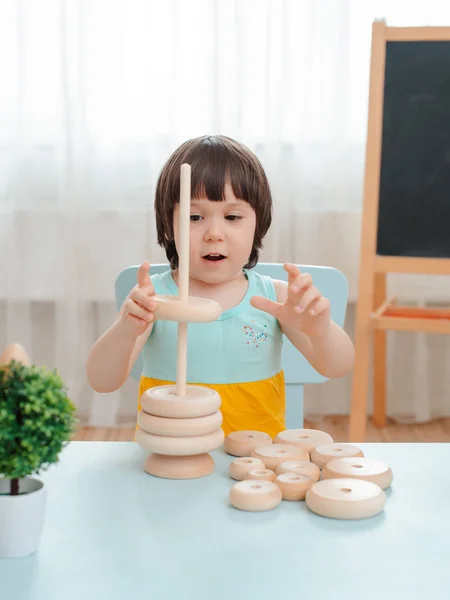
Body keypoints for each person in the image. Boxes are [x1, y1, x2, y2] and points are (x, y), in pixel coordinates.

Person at [86, 135, 354, 437]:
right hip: (171, 462)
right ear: (168, 225)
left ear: (258, 224)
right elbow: (101, 380)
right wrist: (126, 329)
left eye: (232, 216)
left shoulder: (275, 298)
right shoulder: (154, 300)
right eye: (194, 216)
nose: (214, 233)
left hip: (256, 468)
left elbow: (338, 366)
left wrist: (320, 331)